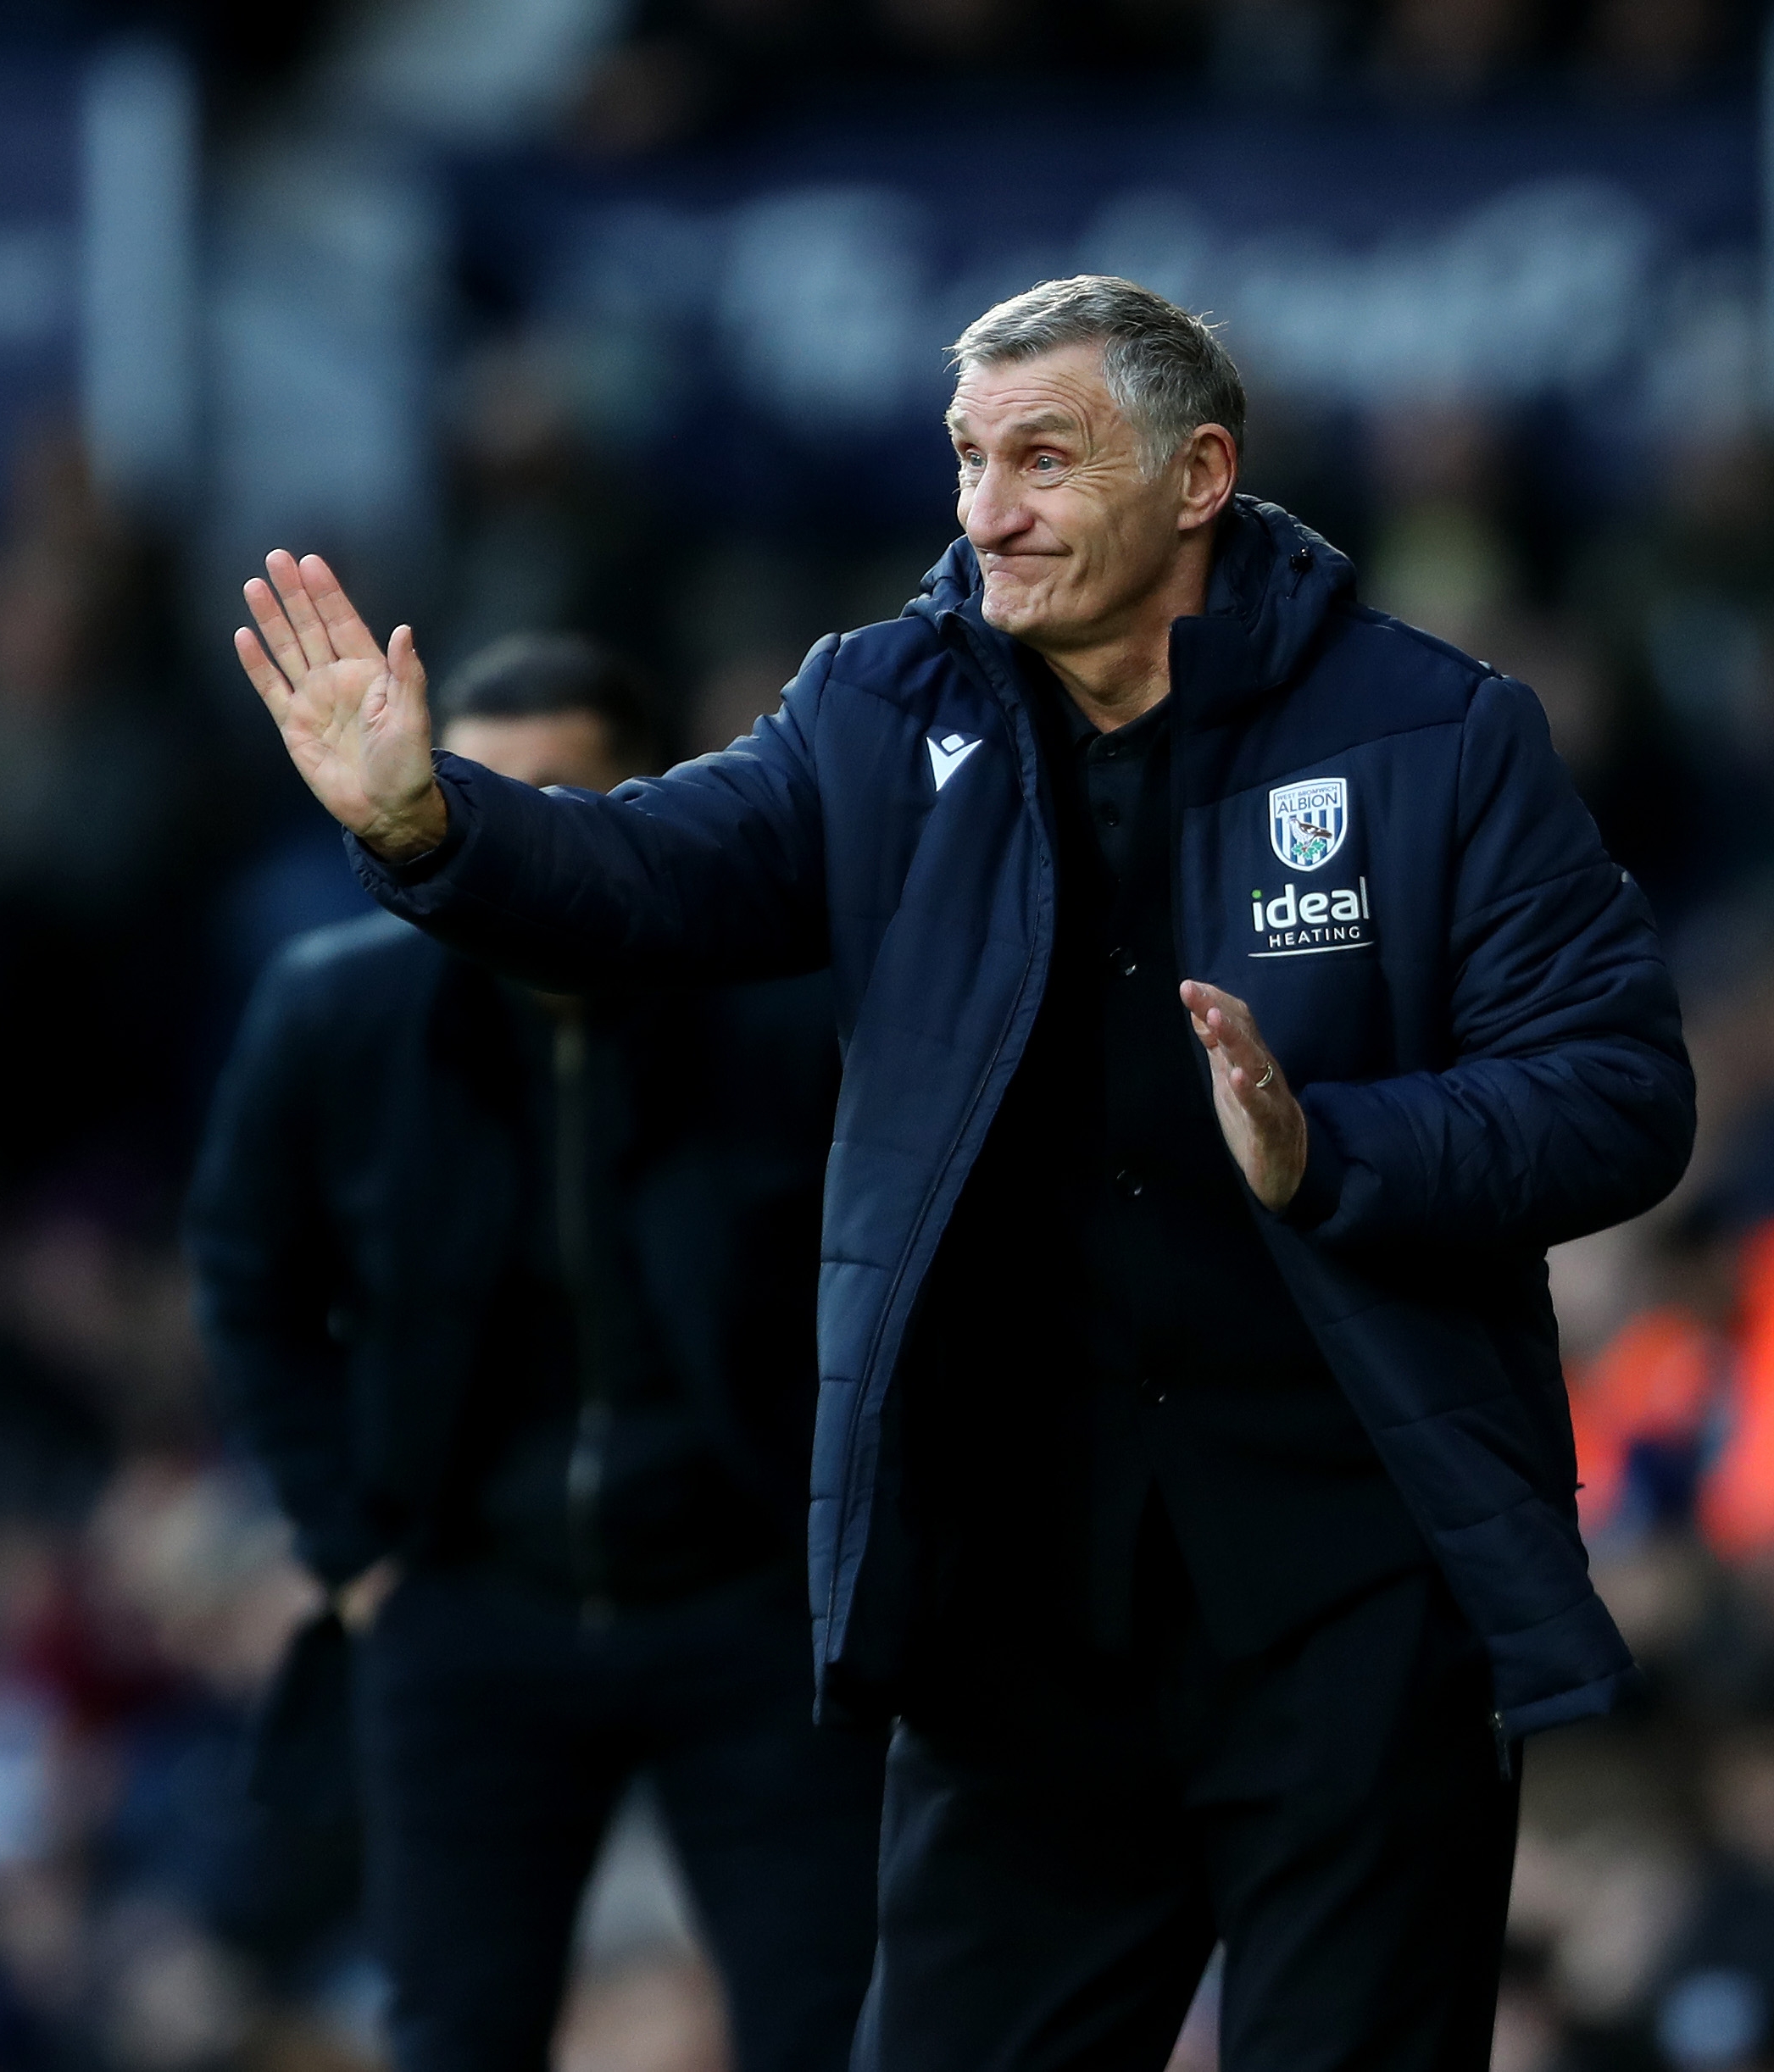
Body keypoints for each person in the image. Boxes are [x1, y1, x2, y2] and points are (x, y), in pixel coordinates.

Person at [234, 278, 1696, 2071]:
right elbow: (648, 878)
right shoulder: (877, 708)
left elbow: (1621, 1090)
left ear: (1197, 476)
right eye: (966, 459)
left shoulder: (1431, 734)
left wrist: (1340, 1148)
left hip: (1357, 1602)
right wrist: (427, 823)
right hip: (1016, 1625)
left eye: (1042, 460)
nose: (984, 508)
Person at [186, 634, 882, 2072]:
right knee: (456, 2034)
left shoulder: (795, 1012)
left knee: (831, 2032)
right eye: (466, 793)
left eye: (553, 796)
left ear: (658, 810)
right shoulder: (337, 1012)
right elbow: (247, 1275)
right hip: (468, 1606)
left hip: (750, 1609)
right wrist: (351, 1547)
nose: (491, 839)